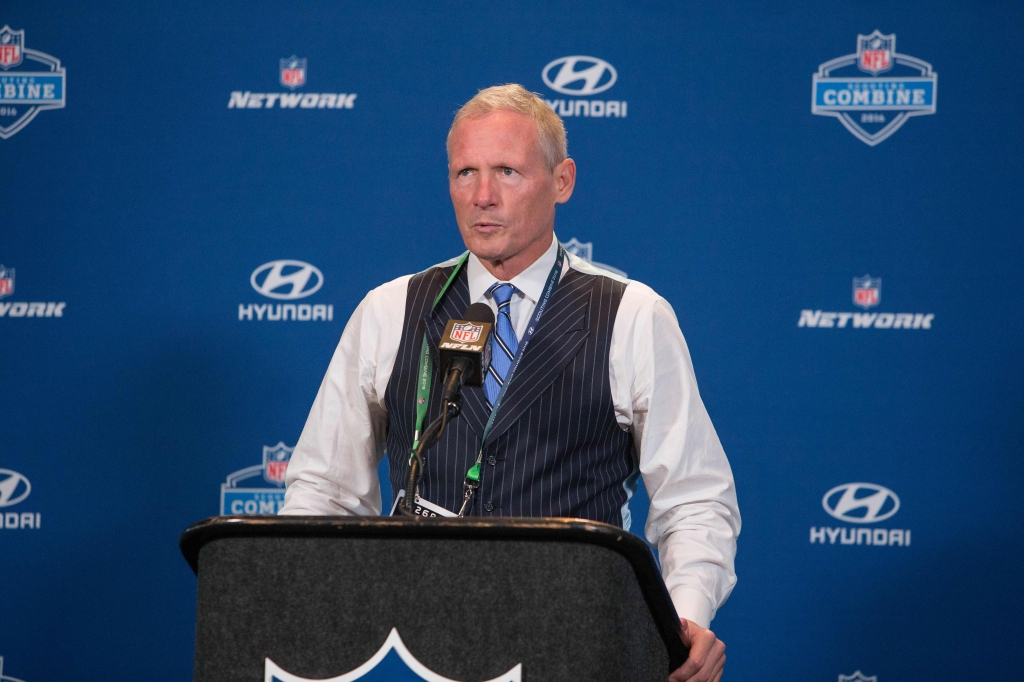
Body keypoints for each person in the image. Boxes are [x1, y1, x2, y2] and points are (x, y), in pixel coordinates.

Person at [280, 84, 740, 682]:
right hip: (416, 643)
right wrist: (295, 608)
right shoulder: (390, 310)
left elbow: (695, 499)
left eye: (507, 171)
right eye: (465, 172)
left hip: (577, 643)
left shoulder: (632, 316)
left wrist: (680, 625)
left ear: (563, 181)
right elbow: (323, 490)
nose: (482, 196)